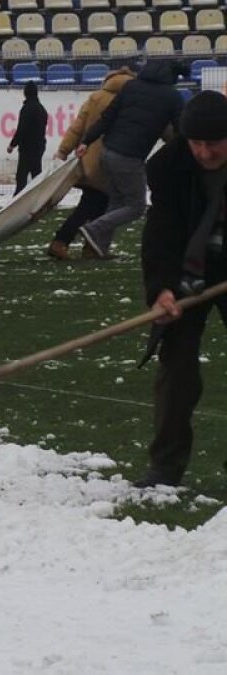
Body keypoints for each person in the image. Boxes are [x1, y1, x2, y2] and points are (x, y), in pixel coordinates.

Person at [135, 91, 227, 488]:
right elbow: (162, 232)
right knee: (177, 368)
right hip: (191, 267)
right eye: (197, 144)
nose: (205, 153)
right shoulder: (168, 165)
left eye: (214, 143)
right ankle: (165, 468)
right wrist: (162, 289)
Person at [75, 60, 186, 259]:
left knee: (117, 201)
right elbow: (180, 129)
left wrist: (86, 141)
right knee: (136, 207)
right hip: (129, 157)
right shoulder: (172, 96)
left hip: (107, 151)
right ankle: (94, 229)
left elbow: (107, 117)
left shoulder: (130, 86)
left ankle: (98, 248)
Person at [48, 67, 135, 260]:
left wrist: (63, 151)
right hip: (113, 160)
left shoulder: (96, 97)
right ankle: (62, 241)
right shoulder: (129, 100)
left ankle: (88, 246)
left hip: (89, 160)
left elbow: (77, 128)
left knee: (95, 205)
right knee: (92, 206)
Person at [8, 81, 48, 195]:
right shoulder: (42, 109)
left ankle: (17, 201)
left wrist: (12, 144)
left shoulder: (26, 109)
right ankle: (39, 199)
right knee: (36, 175)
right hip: (39, 147)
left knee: (21, 177)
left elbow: (21, 129)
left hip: (27, 148)